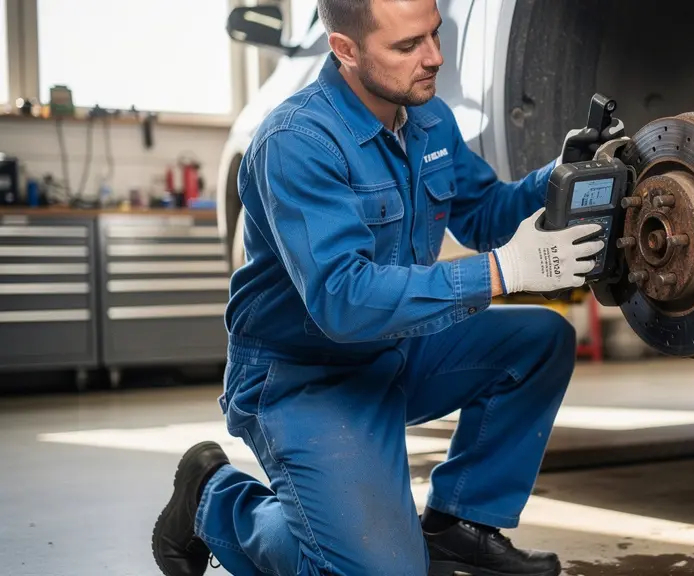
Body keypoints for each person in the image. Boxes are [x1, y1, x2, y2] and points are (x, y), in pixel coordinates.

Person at [151, 0, 623, 575]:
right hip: (305, 376)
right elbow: (343, 301)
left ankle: (460, 524)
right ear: (345, 50)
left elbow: (483, 214)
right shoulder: (295, 142)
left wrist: (556, 178)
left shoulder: (428, 119)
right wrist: (502, 272)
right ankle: (216, 501)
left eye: (435, 34)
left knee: (539, 340)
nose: (435, 58)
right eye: (407, 47)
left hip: (394, 348)